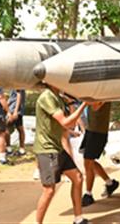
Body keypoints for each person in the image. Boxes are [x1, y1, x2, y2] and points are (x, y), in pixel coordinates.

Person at [34, 85, 89, 224]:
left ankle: (78, 219)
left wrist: (70, 103)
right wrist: (84, 104)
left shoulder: (58, 97)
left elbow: (68, 125)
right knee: (49, 191)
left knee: (77, 178)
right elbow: (65, 122)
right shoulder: (47, 96)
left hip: (57, 147)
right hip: (47, 149)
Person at [80, 101, 119, 207]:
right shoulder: (96, 92)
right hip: (91, 130)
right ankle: (110, 183)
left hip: (97, 133)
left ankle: (88, 194)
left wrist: (84, 101)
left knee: (88, 162)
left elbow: (96, 106)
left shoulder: (102, 93)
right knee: (89, 162)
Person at [6, 89, 26, 156]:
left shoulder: (16, 82)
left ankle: (9, 149)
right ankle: (21, 149)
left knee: (7, 127)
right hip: (14, 108)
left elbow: (18, 95)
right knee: (19, 128)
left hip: (14, 109)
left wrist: (15, 111)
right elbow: (13, 97)